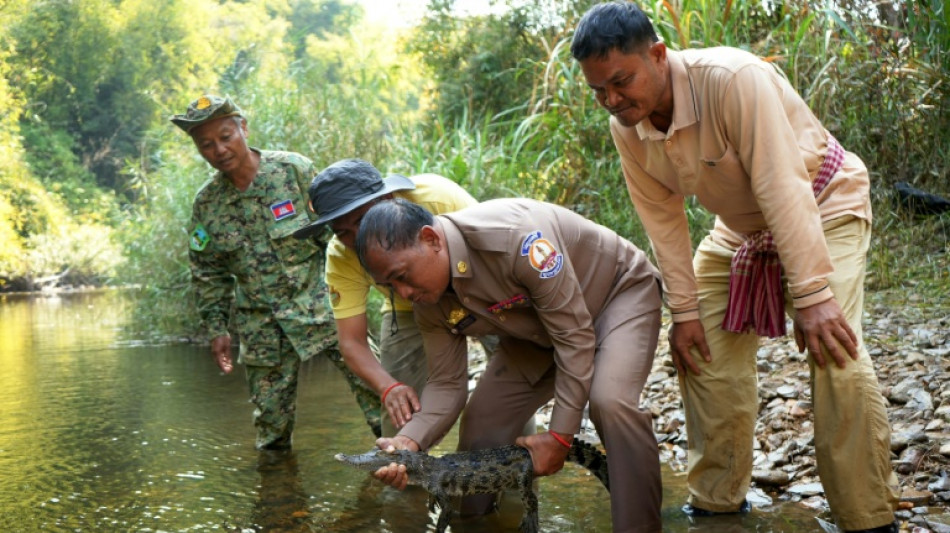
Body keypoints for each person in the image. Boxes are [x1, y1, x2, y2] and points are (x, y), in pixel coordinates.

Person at [570, 3, 898, 532]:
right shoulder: (625, 125)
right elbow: (663, 221)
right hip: (739, 230)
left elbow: (781, 184)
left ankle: (868, 518)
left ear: (657, 55)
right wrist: (686, 312)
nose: (611, 101)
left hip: (821, 204)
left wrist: (813, 295)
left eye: (620, 82)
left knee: (835, 351)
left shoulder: (733, 78)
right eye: (598, 92)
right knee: (700, 353)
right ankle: (717, 504)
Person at [355, 198, 664, 533]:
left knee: (610, 403)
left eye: (402, 276)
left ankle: (641, 526)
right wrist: (407, 444)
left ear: (431, 240)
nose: (402, 292)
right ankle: (472, 524)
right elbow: (445, 385)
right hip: (539, 334)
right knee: (483, 421)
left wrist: (559, 437)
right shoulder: (427, 300)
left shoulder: (516, 240)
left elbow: (574, 338)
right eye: (390, 286)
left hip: (615, 296)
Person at [171, 94, 380, 450]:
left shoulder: (294, 172)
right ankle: (278, 499)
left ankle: (408, 459)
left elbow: (339, 234)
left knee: (378, 389)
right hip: (261, 328)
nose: (219, 149)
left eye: (226, 136)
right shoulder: (207, 205)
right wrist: (216, 328)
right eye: (206, 144)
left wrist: (372, 286)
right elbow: (207, 271)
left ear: (244, 128)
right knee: (271, 431)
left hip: (324, 308)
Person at [292, 159, 478, 437]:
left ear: (387, 198)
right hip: (408, 308)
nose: (357, 240)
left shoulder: (437, 199)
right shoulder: (342, 255)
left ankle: (516, 474)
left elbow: (493, 253)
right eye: (342, 232)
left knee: (510, 389)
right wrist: (388, 387)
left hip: (478, 290)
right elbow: (351, 342)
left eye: (362, 220)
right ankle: (403, 470)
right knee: (399, 417)